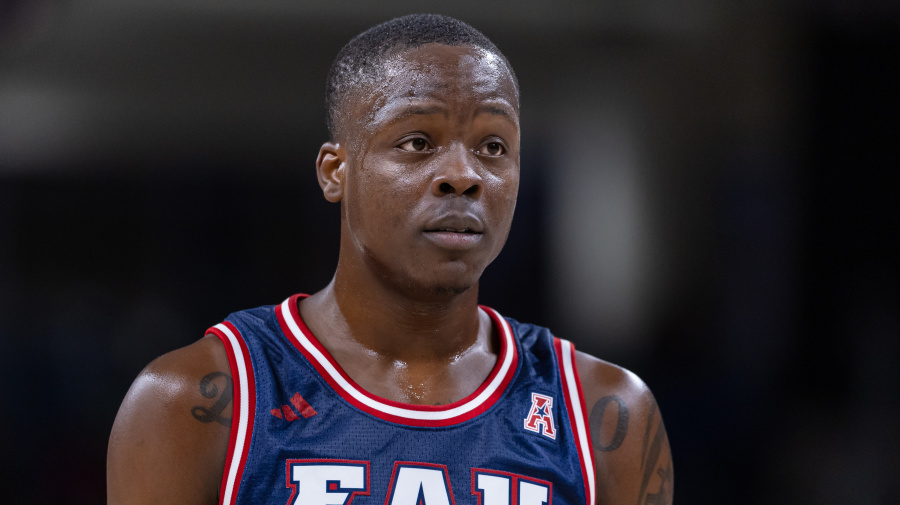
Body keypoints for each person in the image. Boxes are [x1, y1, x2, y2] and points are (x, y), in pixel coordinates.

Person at [107, 14, 672, 505]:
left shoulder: (604, 411)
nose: (463, 175)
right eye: (417, 142)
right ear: (335, 171)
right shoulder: (193, 397)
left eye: (493, 147)